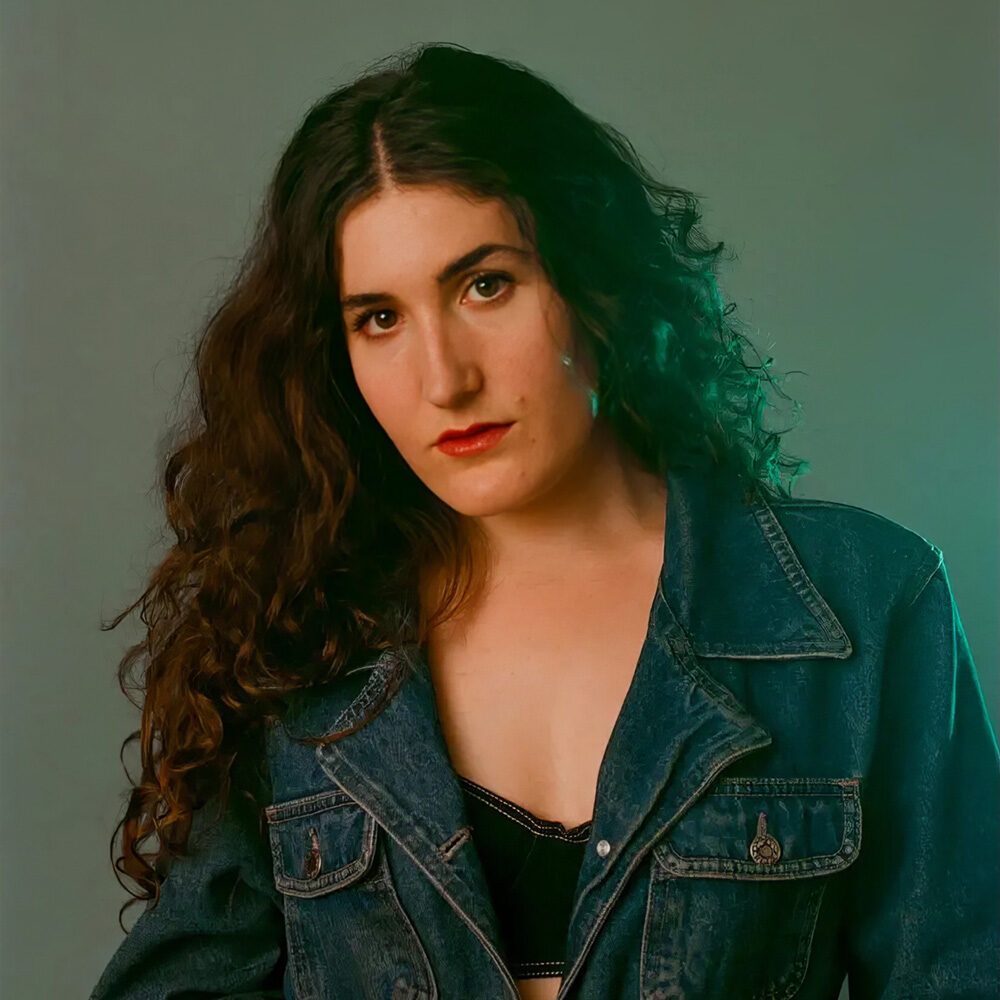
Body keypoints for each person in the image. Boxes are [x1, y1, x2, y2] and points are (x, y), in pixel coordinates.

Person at [90, 41, 999, 1000]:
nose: (445, 379)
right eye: (379, 319)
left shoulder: (860, 603)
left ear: (595, 282)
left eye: (486, 285)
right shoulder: (299, 635)